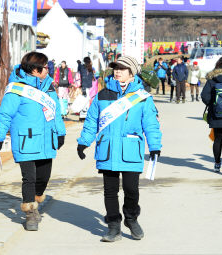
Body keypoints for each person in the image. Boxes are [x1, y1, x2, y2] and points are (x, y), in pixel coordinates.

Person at [77, 56, 162, 242]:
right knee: (110, 190)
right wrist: (84, 142)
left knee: (132, 190)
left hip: (131, 150)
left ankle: (131, 219)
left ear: (132, 73)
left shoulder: (142, 97)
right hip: (107, 149)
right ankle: (113, 225)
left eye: (122, 69)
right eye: (115, 68)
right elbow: (92, 121)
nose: (117, 71)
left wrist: (155, 146)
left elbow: (150, 124)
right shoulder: (103, 94)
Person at [0, 52, 66, 231]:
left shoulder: (49, 87)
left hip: (46, 140)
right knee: (29, 177)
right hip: (25, 140)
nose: (48, 70)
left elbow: (56, 111)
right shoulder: (16, 89)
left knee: (43, 178)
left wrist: (60, 132)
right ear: (34, 69)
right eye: (44, 67)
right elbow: (4, 115)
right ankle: (30, 213)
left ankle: (36, 198)